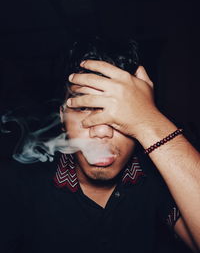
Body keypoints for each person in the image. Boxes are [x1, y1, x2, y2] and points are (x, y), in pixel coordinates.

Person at [0, 37, 199, 253]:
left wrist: (152, 125)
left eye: (123, 111)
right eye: (84, 107)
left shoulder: (160, 182)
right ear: (63, 118)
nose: (102, 131)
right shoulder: (16, 185)